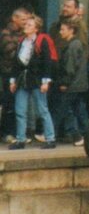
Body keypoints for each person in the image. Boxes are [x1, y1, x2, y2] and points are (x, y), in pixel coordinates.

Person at [9, 15, 57, 150]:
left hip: (37, 79)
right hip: (22, 79)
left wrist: (46, 81)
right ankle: (20, 139)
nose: (26, 27)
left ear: (36, 28)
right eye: (26, 25)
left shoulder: (42, 41)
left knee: (42, 110)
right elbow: (16, 63)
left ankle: (50, 138)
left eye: (29, 25)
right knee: (20, 110)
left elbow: (47, 62)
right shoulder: (21, 41)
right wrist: (13, 80)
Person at [52, 19, 87, 145]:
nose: (60, 32)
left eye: (63, 29)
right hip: (79, 84)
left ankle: (52, 134)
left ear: (71, 30)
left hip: (72, 84)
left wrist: (64, 83)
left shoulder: (72, 45)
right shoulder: (78, 44)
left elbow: (69, 67)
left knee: (62, 109)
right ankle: (84, 134)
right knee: (78, 109)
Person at [0, 7, 30, 142]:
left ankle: (18, 132)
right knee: (9, 103)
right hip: (8, 73)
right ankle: (7, 133)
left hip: (20, 74)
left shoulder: (23, 34)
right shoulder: (5, 33)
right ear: (14, 19)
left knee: (20, 103)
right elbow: (10, 53)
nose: (26, 22)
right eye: (23, 19)